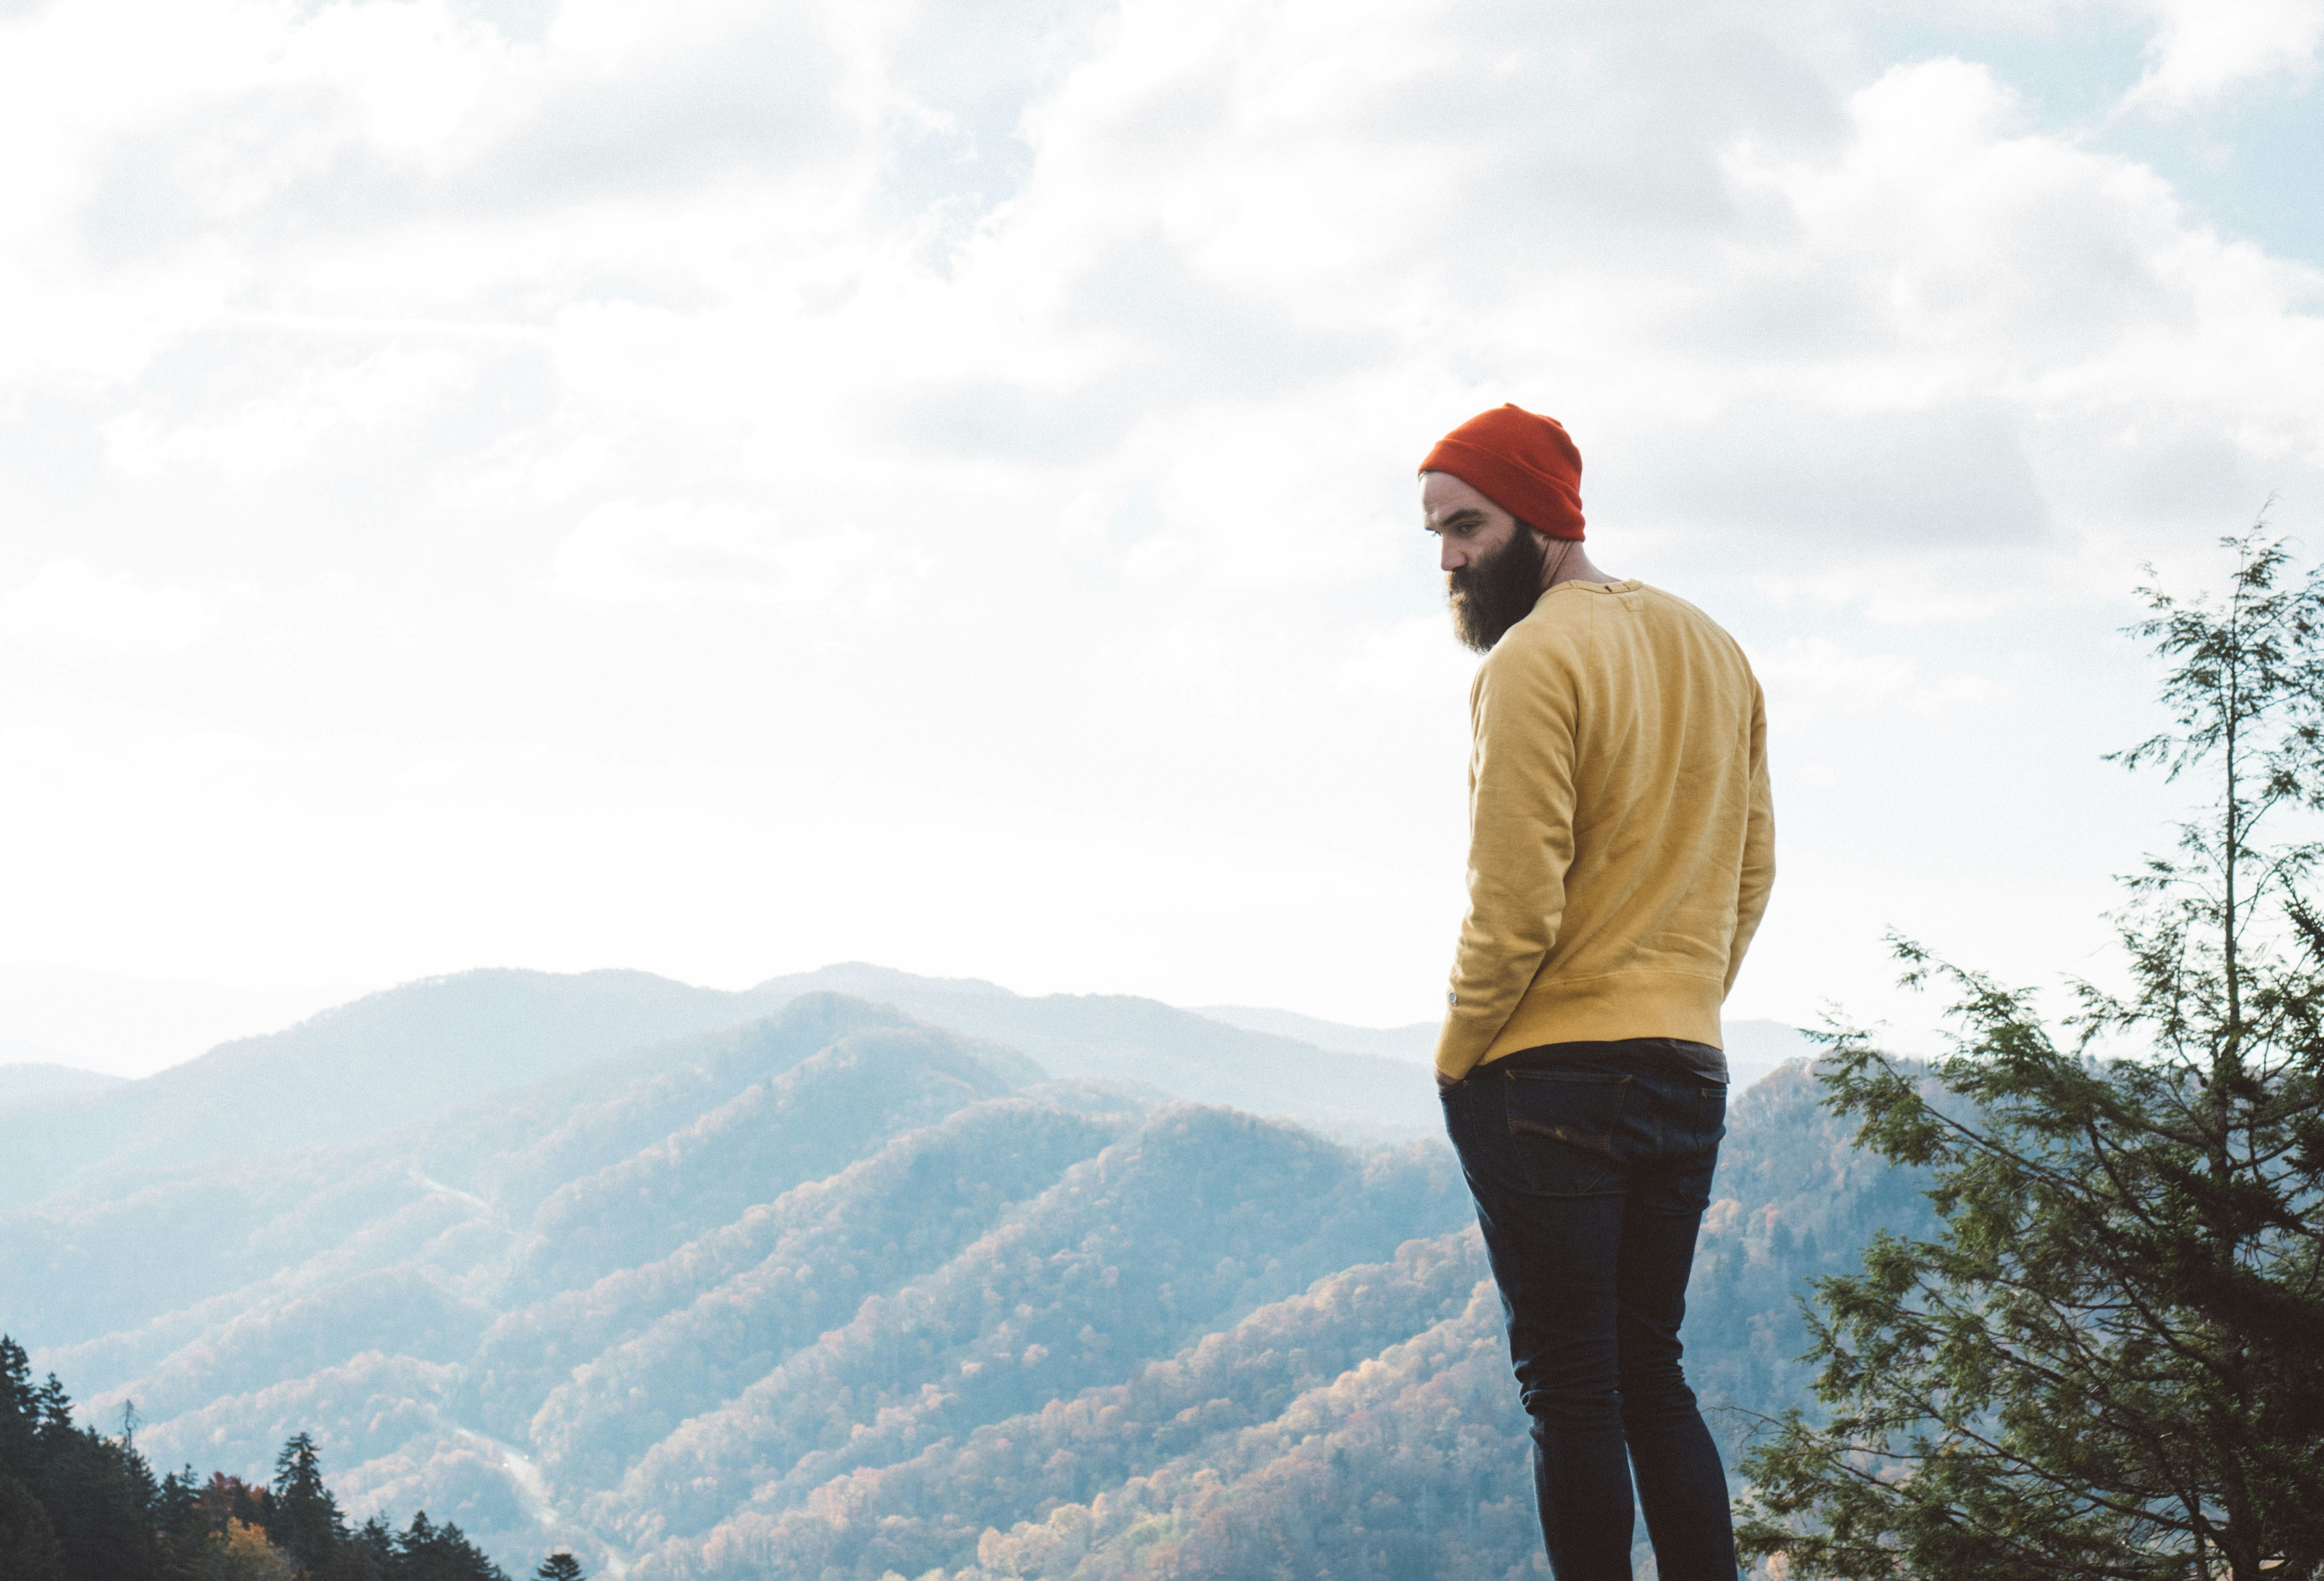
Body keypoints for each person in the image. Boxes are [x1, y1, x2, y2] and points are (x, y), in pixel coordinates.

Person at [1422, 403, 1774, 1580]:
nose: (1449, 558)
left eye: (1465, 525)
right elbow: (1754, 865)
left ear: (1542, 516)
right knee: (1649, 1374)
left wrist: (1457, 1054)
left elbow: (1513, 907)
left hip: (1547, 1080)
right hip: (1686, 1065)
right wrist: (1684, 1001)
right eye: (1436, 533)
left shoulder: (1532, 661)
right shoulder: (1715, 648)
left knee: (1570, 1392)